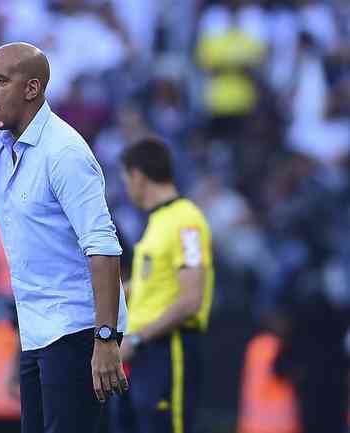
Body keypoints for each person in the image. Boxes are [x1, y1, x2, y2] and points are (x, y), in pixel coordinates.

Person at [0, 42, 128, 433]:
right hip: (36, 327)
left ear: (32, 88)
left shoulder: (64, 152)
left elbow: (103, 248)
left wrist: (105, 340)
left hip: (77, 328)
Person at [116, 136, 214, 433]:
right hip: (147, 351)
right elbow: (153, 287)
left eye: (126, 180)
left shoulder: (186, 221)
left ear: (137, 176)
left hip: (169, 348)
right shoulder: (158, 223)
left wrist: (135, 340)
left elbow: (191, 298)